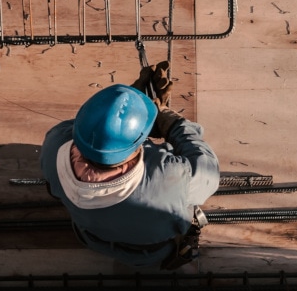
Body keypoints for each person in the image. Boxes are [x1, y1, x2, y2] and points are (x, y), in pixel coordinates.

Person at [39, 62, 220, 270]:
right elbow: (209, 172)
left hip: (92, 237)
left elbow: (93, 130)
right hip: (154, 251)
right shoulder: (169, 177)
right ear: (138, 143)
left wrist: (130, 103)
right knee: (185, 199)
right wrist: (174, 125)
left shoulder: (54, 144)